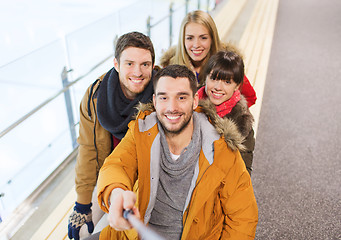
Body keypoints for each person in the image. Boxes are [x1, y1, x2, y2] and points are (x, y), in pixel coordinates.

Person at [96, 64, 258, 240]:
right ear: (155, 101)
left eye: (181, 97)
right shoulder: (140, 131)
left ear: (195, 101)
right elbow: (116, 165)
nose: (172, 107)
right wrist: (116, 192)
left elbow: (243, 216)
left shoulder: (221, 148)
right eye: (164, 98)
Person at [68, 31, 157, 240]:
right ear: (116, 64)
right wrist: (82, 203)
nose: (138, 71)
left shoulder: (160, 95)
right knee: (78, 232)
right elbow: (88, 150)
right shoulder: (95, 98)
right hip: (110, 176)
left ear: (153, 66)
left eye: (145, 64)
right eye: (129, 64)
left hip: (144, 180)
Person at [160, 10, 257, 107]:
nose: (196, 45)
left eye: (203, 38)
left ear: (212, 39)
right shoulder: (169, 69)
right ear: (182, 40)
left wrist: (221, 113)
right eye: (190, 38)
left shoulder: (226, 64)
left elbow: (250, 97)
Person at [198, 50, 255, 175]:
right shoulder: (188, 103)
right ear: (205, 77)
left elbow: (243, 174)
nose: (218, 87)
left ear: (237, 86)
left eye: (227, 82)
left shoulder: (242, 122)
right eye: (213, 78)